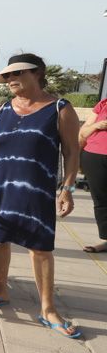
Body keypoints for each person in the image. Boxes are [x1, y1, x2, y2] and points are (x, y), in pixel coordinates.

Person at [0, 53, 82, 339]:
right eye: (7, 76)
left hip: (36, 191)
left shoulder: (60, 109)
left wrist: (67, 189)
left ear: (38, 73)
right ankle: (1, 289)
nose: (10, 80)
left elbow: (71, 152)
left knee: (40, 246)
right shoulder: (0, 110)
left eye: (17, 74)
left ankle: (48, 308)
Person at [79, 97, 107, 253]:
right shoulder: (103, 104)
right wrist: (97, 125)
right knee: (101, 200)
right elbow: (83, 132)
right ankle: (106, 239)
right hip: (94, 156)